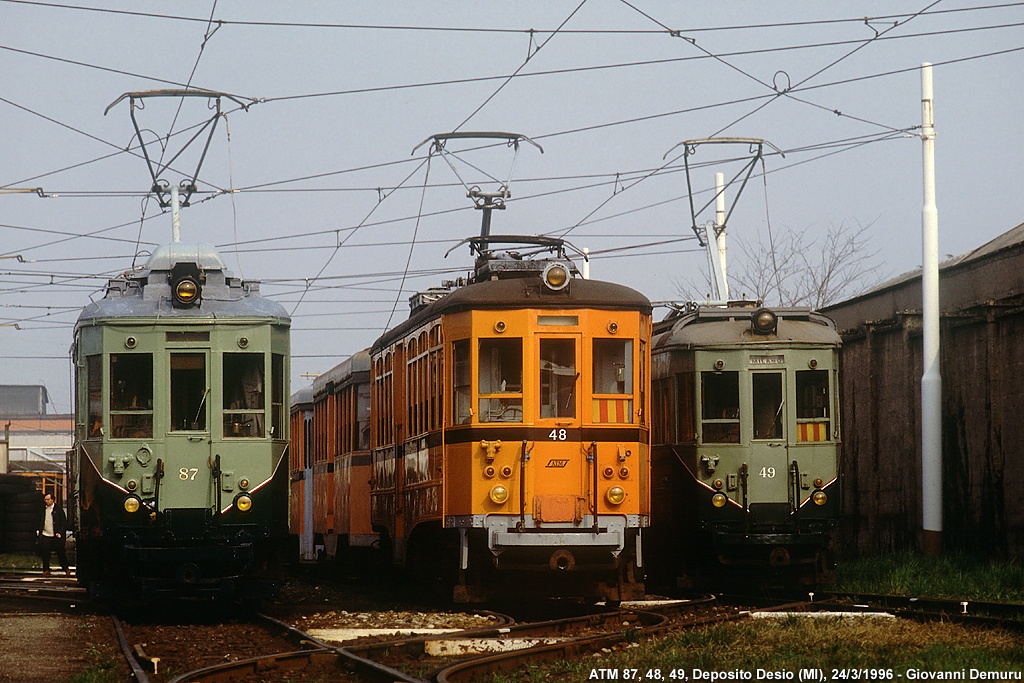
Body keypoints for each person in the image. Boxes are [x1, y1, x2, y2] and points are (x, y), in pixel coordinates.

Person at [38, 492, 70, 576]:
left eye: (48, 499)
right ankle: (46, 569)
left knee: (60, 552)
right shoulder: (43, 509)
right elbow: (40, 520)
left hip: (56, 535)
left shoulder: (58, 509)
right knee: (45, 552)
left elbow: (63, 522)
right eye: (45, 499)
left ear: (53, 500)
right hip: (46, 534)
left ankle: (66, 568)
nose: (46, 501)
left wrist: (60, 532)